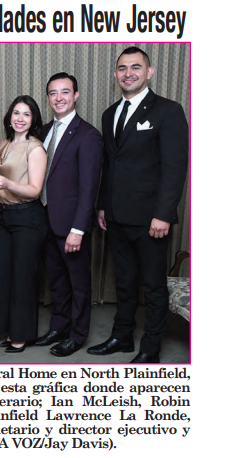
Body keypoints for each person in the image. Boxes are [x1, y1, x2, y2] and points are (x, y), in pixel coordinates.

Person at [89, 47, 189, 363]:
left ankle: (150, 348)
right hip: (116, 216)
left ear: (149, 72)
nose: (128, 73)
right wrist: (103, 206)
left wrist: (163, 214)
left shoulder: (168, 111)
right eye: (122, 68)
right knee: (124, 281)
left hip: (150, 220)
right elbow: (110, 165)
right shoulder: (109, 114)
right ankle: (121, 336)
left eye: (135, 67)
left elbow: (175, 168)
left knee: (154, 286)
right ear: (116, 74)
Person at [34, 73, 103, 357]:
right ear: (48, 97)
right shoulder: (43, 131)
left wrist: (79, 228)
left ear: (76, 95)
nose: (59, 98)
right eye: (53, 93)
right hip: (46, 220)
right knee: (57, 281)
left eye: (65, 92)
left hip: (71, 225)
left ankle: (77, 334)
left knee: (79, 284)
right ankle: (58, 327)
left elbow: (89, 187)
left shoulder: (88, 134)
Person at [0, 96, 48, 353]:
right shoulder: (4, 145)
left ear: (33, 119)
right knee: (4, 276)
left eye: (26, 114)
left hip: (27, 219)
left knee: (22, 279)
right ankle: (9, 329)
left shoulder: (35, 148)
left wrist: (8, 184)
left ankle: (22, 335)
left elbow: (35, 190)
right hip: (3, 217)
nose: (20, 118)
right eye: (16, 113)